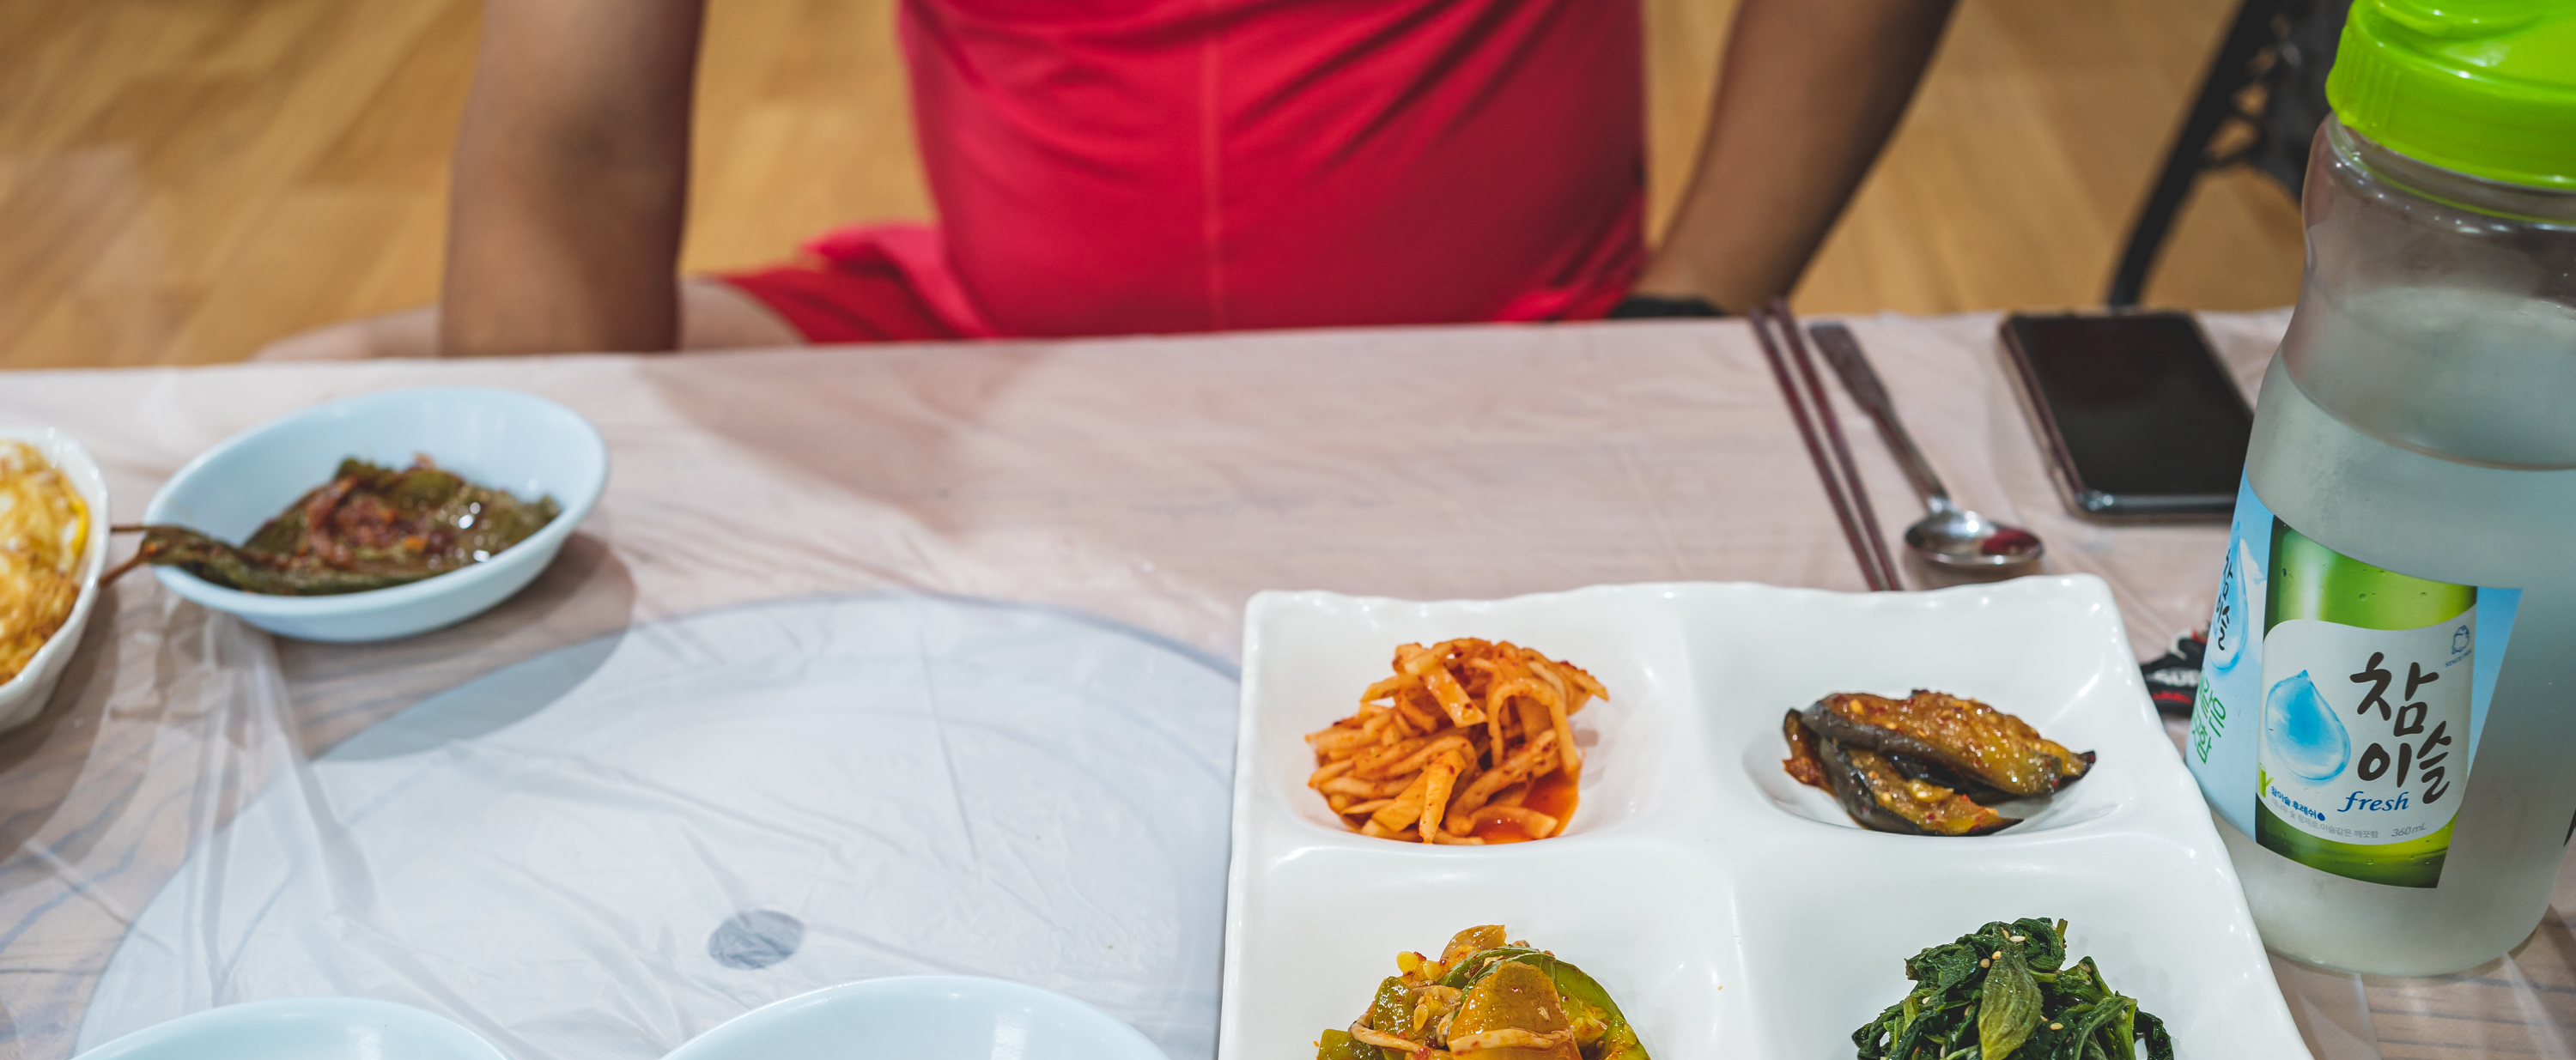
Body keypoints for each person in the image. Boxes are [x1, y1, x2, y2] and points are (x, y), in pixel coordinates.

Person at [264, 0, 1957, 360]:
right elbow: (577, 135)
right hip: (989, 333)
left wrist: (1683, 319)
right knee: (314, 383)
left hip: (1527, 337)